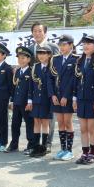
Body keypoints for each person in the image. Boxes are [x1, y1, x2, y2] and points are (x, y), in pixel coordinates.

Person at [73, 35, 94, 165]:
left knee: (91, 128)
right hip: (81, 98)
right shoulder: (80, 61)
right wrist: (74, 98)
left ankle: (93, 153)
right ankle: (85, 153)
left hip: (93, 99)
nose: (85, 46)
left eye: (89, 44)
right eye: (84, 43)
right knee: (82, 128)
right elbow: (76, 80)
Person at [28, 22, 59, 153]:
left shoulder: (53, 47)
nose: (37, 33)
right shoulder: (30, 48)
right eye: (35, 31)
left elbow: (56, 69)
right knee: (35, 119)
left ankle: (48, 143)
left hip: (49, 90)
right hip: (35, 89)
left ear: (45, 32)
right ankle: (34, 144)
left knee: (48, 119)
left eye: (40, 31)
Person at [48, 34, 78, 161]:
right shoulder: (55, 59)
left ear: (71, 45)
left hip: (68, 96)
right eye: (60, 45)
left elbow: (73, 80)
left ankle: (69, 150)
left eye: (64, 44)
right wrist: (52, 94)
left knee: (67, 122)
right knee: (60, 122)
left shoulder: (76, 59)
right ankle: (63, 148)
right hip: (56, 96)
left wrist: (66, 96)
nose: (61, 47)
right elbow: (49, 78)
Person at [5, 46, 34, 155]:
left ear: (29, 59)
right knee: (15, 124)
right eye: (19, 58)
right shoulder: (17, 71)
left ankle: (31, 145)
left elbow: (32, 88)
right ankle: (14, 144)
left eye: (23, 58)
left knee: (29, 124)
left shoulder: (31, 71)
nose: (20, 60)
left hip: (27, 103)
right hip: (17, 102)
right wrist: (12, 101)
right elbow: (14, 87)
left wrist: (30, 101)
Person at [28, 46, 53, 157]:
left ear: (49, 55)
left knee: (45, 123)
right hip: (36, 99)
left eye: (44, 53)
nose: (41, 56)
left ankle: (44, 146)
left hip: (46, 99)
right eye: (39, 53)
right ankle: (36, 146)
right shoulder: (35, 67)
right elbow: (31, 85)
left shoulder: (52, 67)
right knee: (37, 122)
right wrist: (30, 99)